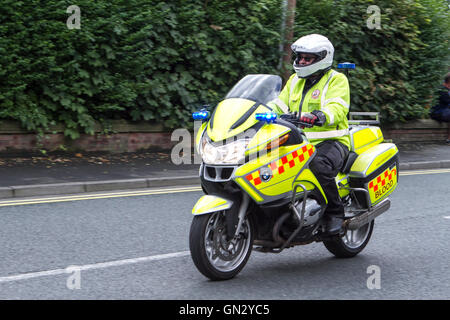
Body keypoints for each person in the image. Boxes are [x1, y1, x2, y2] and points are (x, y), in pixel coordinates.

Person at [269, 34, 350, 236]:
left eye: (308, 58)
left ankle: (335, 213)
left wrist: (320, 115)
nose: (302, 62)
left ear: (322, 58)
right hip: (297, 140)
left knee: (318, 165)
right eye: (300, 57)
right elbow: (278, 105)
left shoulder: (337, 80)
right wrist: (258, 112)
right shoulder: (294, 81)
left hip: (331, 141)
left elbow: (338, 107)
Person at [429, 73, 450, 144]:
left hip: (445, 111)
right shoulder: (441, 90)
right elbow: (447, 101)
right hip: (437, 112)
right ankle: (449, 139)